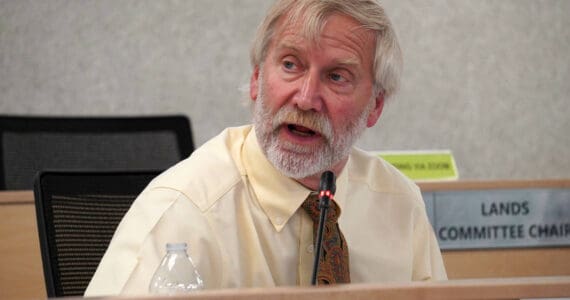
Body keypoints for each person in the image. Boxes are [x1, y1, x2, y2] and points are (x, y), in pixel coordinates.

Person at [85, 0, 446, 296]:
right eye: (290, 65)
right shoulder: (184, 209)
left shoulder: (399, 202)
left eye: (336, 77)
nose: (306, 99)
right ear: (257, 79)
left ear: (376, 106)